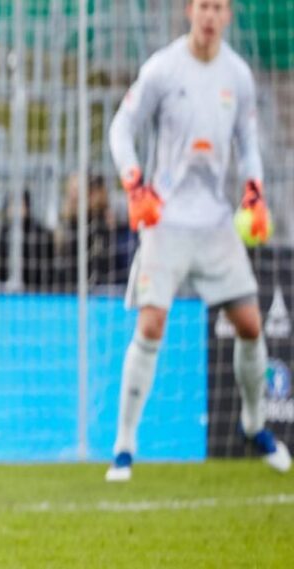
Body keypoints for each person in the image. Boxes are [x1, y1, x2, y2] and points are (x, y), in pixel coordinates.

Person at [105, 0, 290, 482]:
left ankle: (254, 424)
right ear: (189, 11)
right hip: (164, 218)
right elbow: (121, 127)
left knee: (250, 324)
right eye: (203, 5)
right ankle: (124, 446)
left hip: (215, 223)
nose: (210, 15)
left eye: (218, 7)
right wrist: (134, 185)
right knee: (151, 323)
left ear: (228, 16)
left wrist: (254, 193)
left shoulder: (238, 75)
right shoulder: (163, 68)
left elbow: (248, 143)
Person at [54, 173, 131, 288]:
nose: (74, 195)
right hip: (74, 280)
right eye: (73, 190)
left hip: (104, 280)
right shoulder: (69, 221)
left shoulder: (104, 219)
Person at [0, 189, 55, 290]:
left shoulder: (41, 234)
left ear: (27, 207)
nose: (15, 210)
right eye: (12, 205)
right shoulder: (1, 234)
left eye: (19, 205)